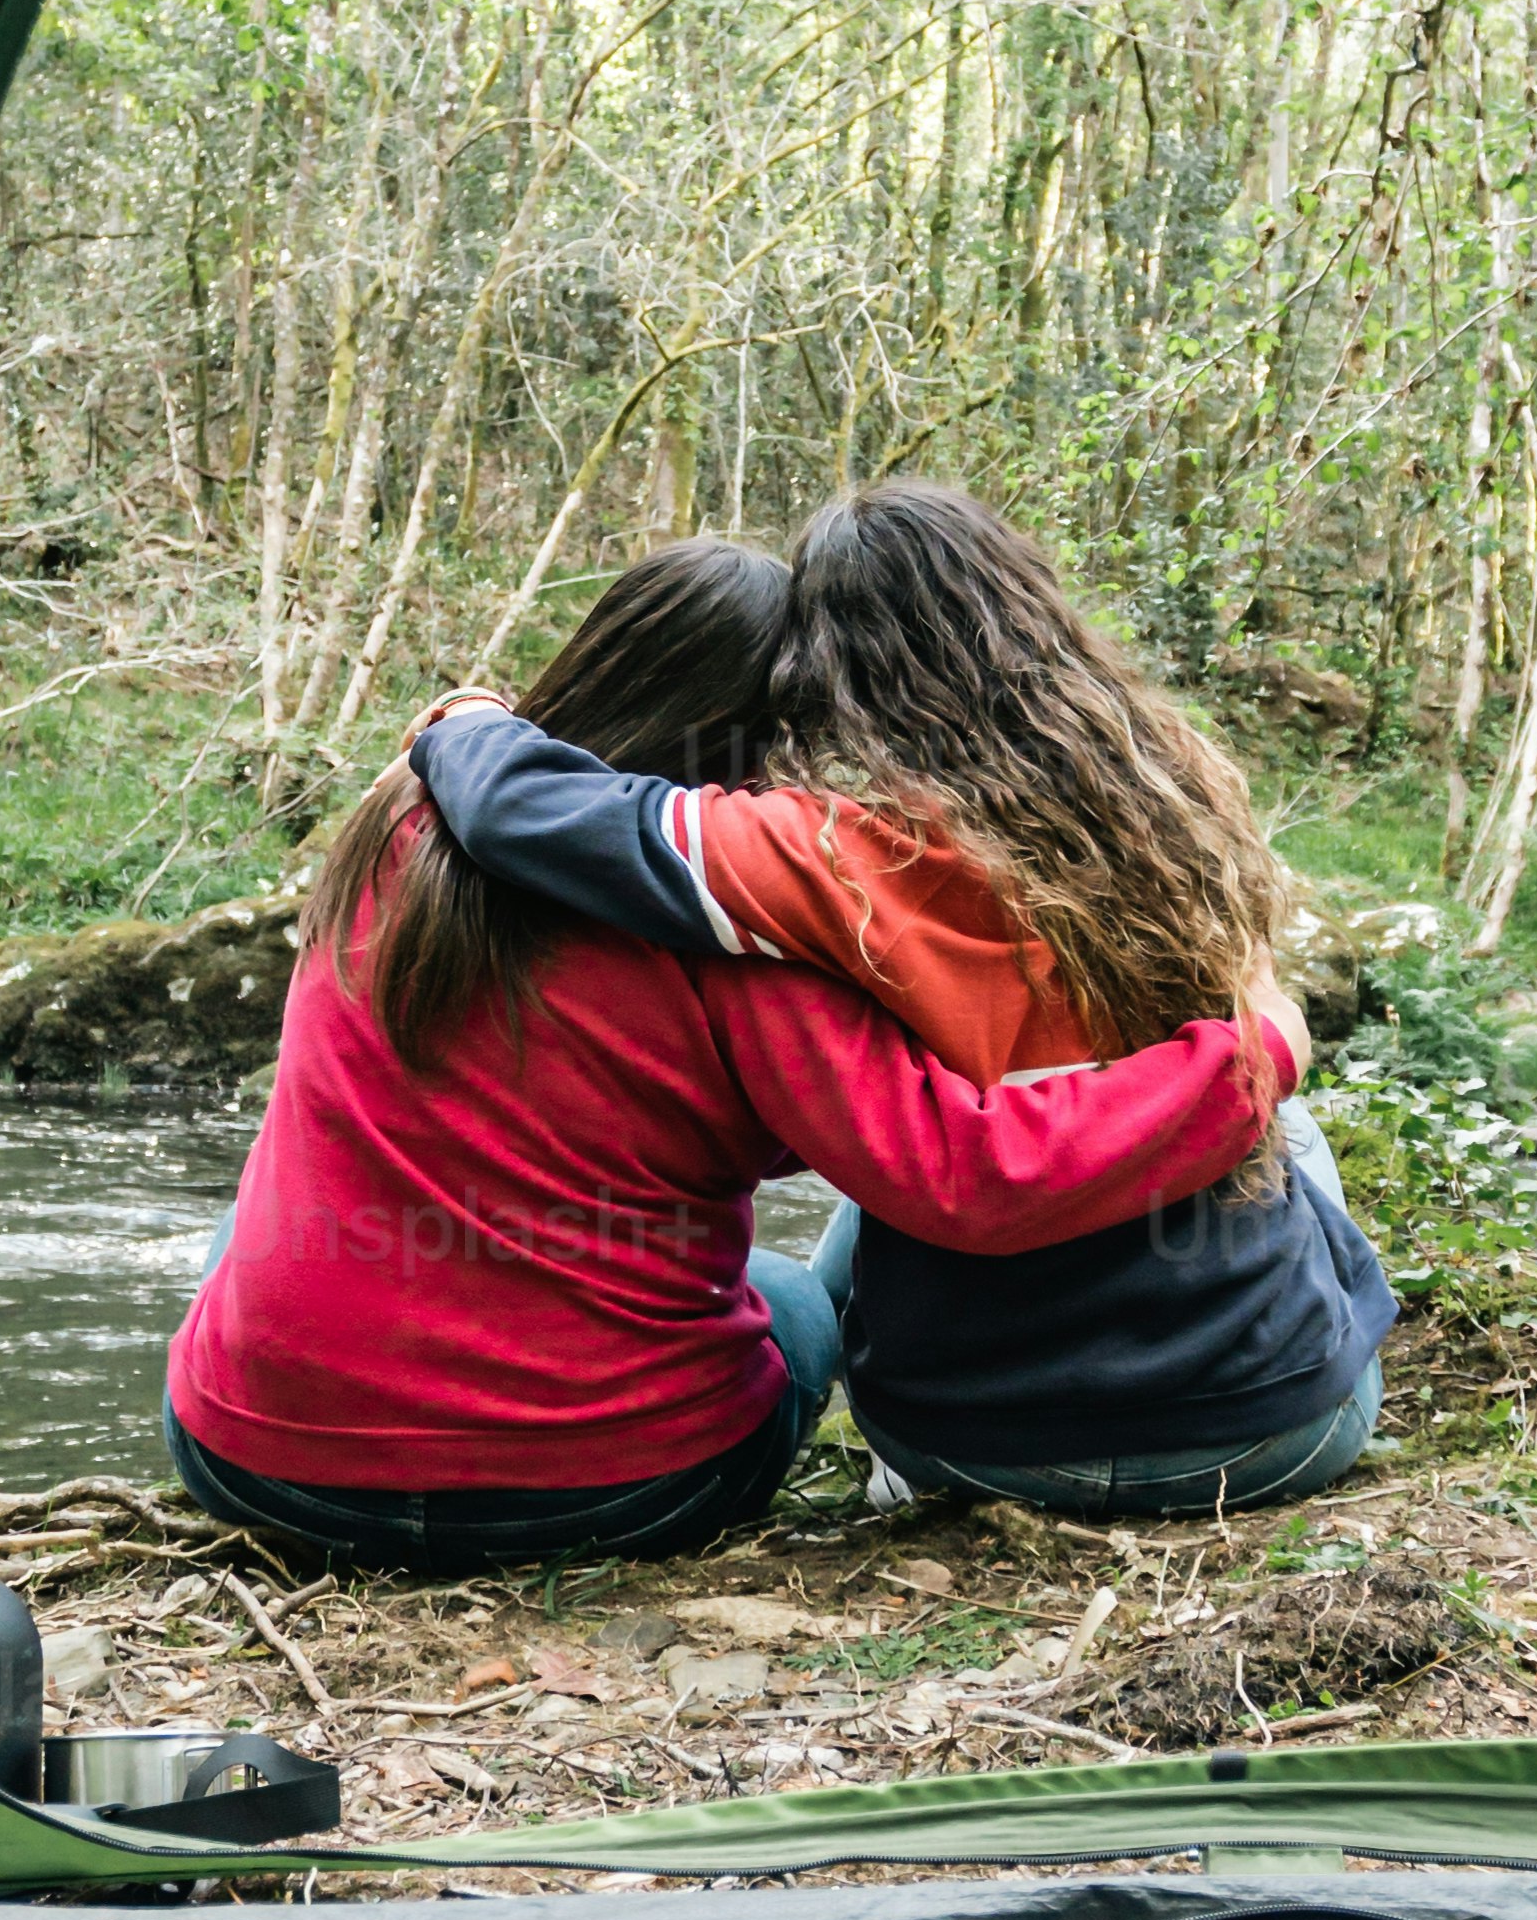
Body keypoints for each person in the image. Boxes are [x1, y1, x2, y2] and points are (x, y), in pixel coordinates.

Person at [163, 537, 1300, 1576]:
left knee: (253, 1228)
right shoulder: (749, 933)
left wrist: (465, 716)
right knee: (793, 1306)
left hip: (258, 1463)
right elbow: (955, 1169)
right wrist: (1247, 1058)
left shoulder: (395, 825)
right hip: (613, 1489)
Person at [410, 480, 1393, 1519]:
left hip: (975, 1448)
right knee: (1282, 1119)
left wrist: (465, 717)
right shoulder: (1170, 787)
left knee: (892, 1139)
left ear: (821, 672)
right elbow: (1243, 1025)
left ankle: (890, 1425)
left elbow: (523, 810)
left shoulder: (820, 854)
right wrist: (1269, 1040)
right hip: (1280, 1431)